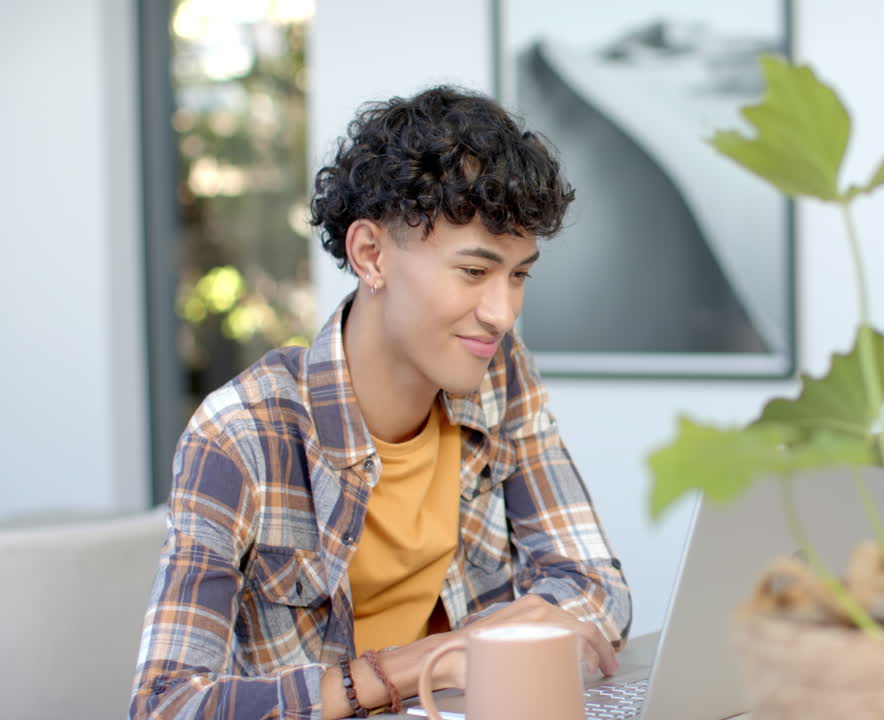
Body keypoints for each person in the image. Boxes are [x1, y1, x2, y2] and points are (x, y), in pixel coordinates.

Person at [129, 85, 631, 720]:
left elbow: (597, 586)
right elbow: (166, 705)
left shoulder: (499, 373)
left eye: (519, 275)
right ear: (371, 255)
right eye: (475, 272)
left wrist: (515, 637)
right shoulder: (239, 435)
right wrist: (422, 662)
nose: (503, 313)